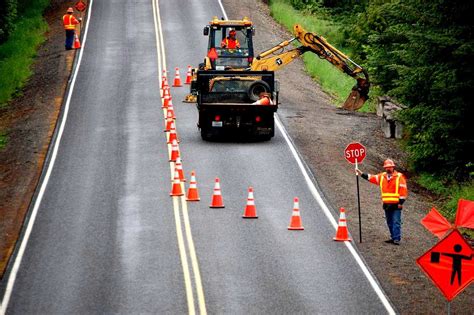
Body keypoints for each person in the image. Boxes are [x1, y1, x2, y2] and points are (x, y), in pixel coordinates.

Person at [356, 159, 407, 245]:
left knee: (396, 221)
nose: (388, 169)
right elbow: (371, 177)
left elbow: (403, 190)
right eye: (386, 167)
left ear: (393, 167)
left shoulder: (399, 177)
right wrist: (361, 173)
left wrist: (401, 203)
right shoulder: (382, 176)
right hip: (386, 204)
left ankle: (396, 239)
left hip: (396, 204)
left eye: (389, 167)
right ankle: (393, 237)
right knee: (389, 221)